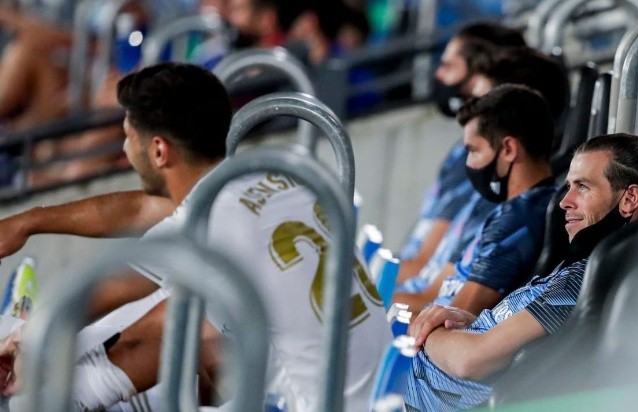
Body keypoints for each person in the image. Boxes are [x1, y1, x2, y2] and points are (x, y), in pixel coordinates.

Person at [0, 62, 389, 411]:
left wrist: (26, 341)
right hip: (371, 392)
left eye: (128, 137)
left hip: (303, 404)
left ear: (158, 150)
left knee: (169, 313)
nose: (124, 149)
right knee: (187, 313)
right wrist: (28, 223)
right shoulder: (279, 181)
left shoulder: (206, 220)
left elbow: (97, 296)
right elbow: (141, 211)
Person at [403, 121, 638, 411]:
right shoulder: (579, 271)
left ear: (630, 199)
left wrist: (426, 333)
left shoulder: (586, 281)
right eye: (569, 186)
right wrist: (468, 322)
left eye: (583, 187)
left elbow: (471, 361)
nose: (565, 202)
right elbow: (507, 342)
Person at [394, 45, 570, 306]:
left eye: (474, 151)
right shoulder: (505, 209)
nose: (468, 163)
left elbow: (453, 319)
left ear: (508, 148)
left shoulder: (518, 218)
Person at [396, 21, 527, 283]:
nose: (439, 75)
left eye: (449, 66)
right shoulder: (462, 151)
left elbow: (422, 264)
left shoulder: (486, 162)